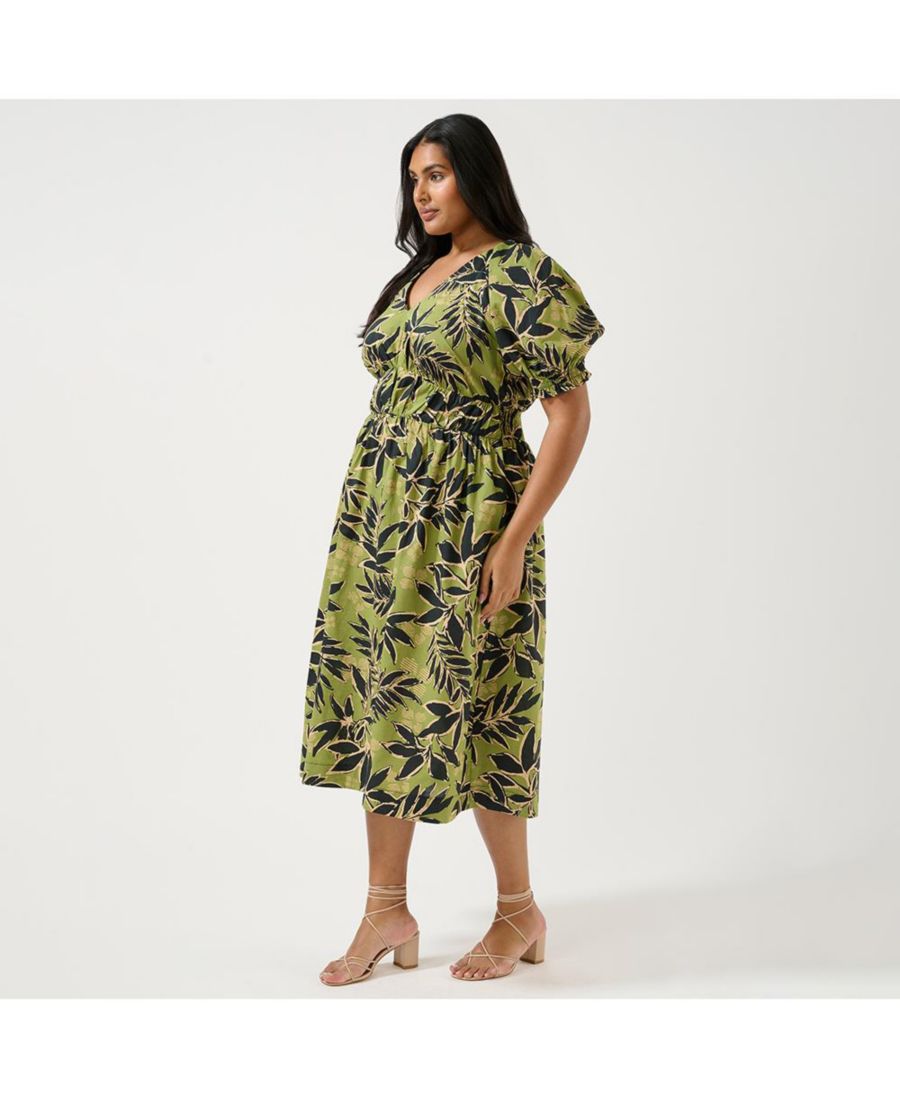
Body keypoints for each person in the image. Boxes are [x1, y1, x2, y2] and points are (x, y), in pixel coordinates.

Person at [300, 113, 604, 985]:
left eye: (435, 173)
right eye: (413, 178)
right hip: (382, 517)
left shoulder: (526, 275)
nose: (421, 192)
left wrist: (514, 541)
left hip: (472, 518)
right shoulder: (418, 275)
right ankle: (385, 907)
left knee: (487, 702)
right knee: (383, 697)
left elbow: (569, 416)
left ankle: (518, 909)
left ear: (476, 174)